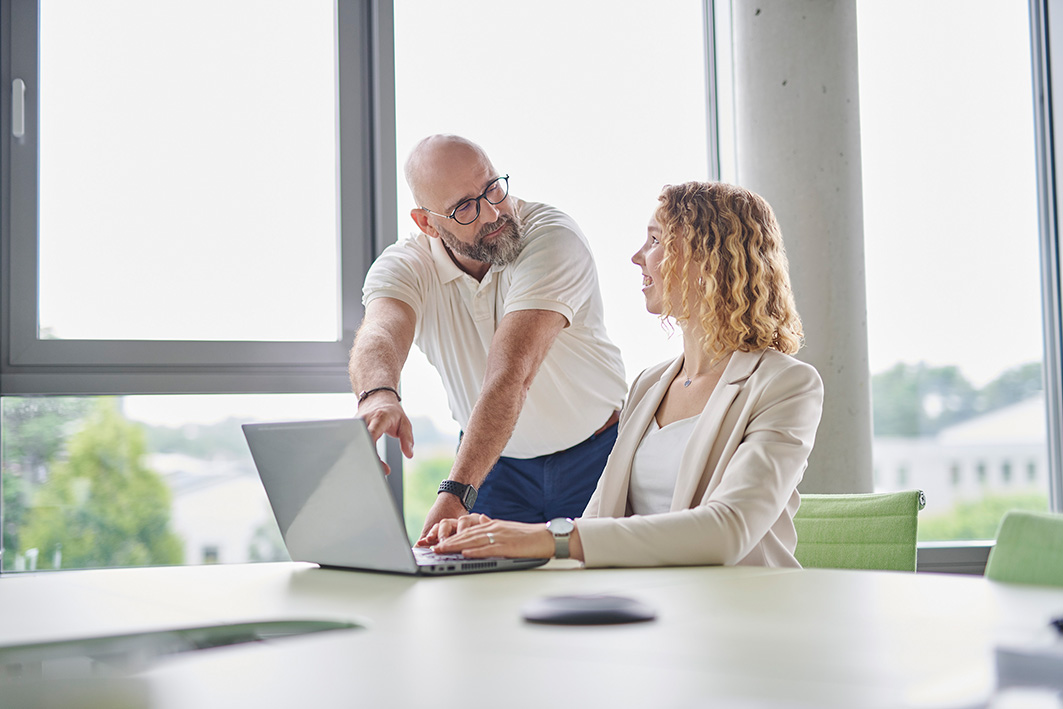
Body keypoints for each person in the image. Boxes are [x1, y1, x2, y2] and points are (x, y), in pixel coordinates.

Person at [425, 181, 824, 568]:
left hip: (744, 616)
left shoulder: (786, 385)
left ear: (709, 257)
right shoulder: (649, 385)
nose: (638, 257)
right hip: (651, 609)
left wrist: (542, 538)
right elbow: (598, 522)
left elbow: (729, 529)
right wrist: (498, 536)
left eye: (655, 241)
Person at [349, 134, 626, 537]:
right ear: (427, 223)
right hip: (493, 464)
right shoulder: (407, 265)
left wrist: (457, 492)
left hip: (597, 453)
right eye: (464, 207)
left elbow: (511, 374)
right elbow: (379, 333)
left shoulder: (551, 237)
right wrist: (377, 395)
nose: (493, 212)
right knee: (485, 593)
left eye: (493, 187)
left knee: (604, 590)